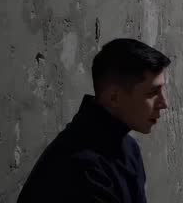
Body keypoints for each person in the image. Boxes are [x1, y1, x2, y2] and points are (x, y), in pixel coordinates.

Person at [18, 38, 170, 203]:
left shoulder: (128, 148)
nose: (164, 103)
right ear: (114, 98)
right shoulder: (82, 170)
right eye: (153, 92)